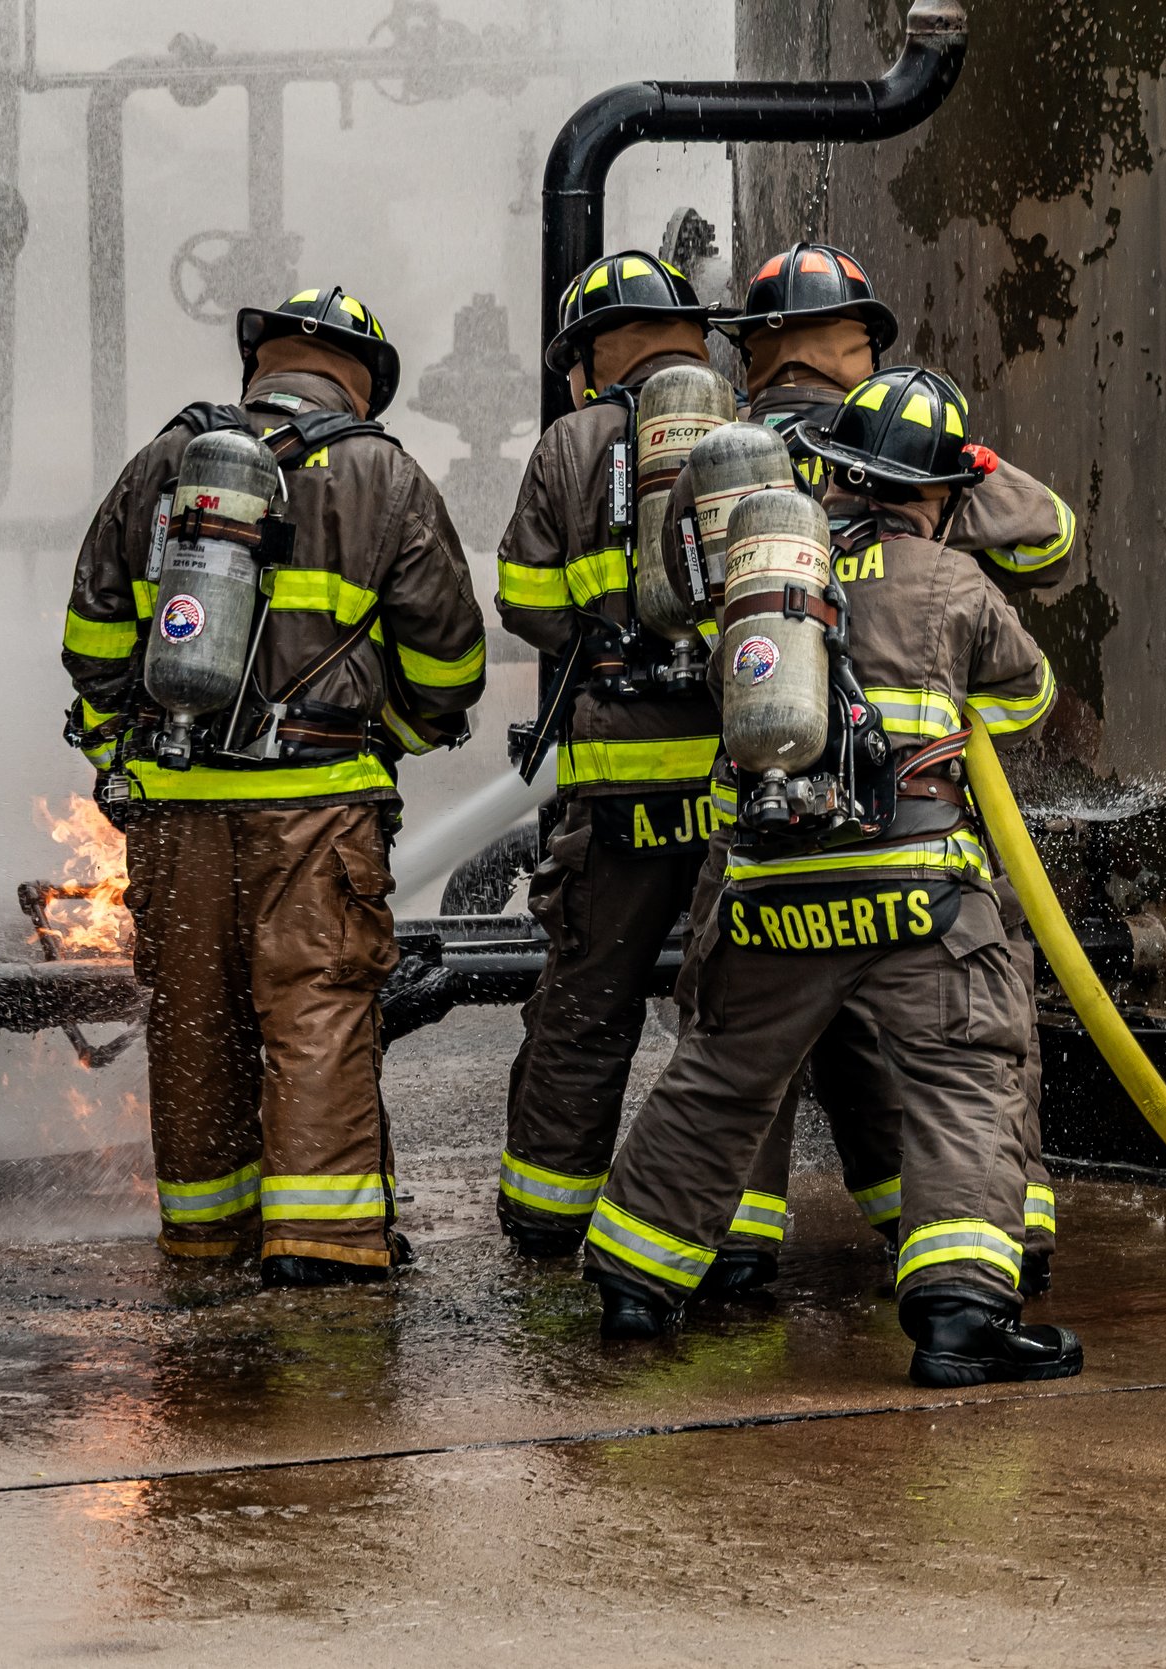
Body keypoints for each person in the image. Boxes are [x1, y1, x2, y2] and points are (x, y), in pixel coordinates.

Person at [584, 367, 1082, 1388]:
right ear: (940, 492)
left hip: (770, 892)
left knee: (720, 1074)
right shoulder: (950, 581)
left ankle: (635, 1284)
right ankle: (961, 1320)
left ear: (839, 472)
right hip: (916, 896)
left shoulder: (763, 579)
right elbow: (1027, 697)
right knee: (964, 1075)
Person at [60, 286, 487, 1287]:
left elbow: (92, 637)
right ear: (363, 380)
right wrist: (383, 738)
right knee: (318, 1013)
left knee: (193, 1024)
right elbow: (449, 665)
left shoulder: (164, 461)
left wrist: (130, 742)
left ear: (261, 361)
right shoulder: (385, 475)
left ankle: (205, 1242)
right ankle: (322, 1251)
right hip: (317, 805)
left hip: (174, 803)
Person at [695, 244, 1077, 1296]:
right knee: (970, 1025)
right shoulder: (893, 443)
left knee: (738, 1032)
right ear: (860, 344)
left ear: (755, 348)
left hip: (758, 796)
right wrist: (965, 463)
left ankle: (728, 1240)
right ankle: (998, 1235)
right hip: (912, 814)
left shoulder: (729, 457)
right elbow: (1048, 539)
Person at [491, 251, 724, 1255]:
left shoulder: (571, 442)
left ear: (592, 355)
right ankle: (728, 1231)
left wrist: (603, 633)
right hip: (736, 780)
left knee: (587, 1004)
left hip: (620, 779)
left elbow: (524, 599)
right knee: (732, 1012)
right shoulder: (751, 429)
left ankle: (548, 1217)